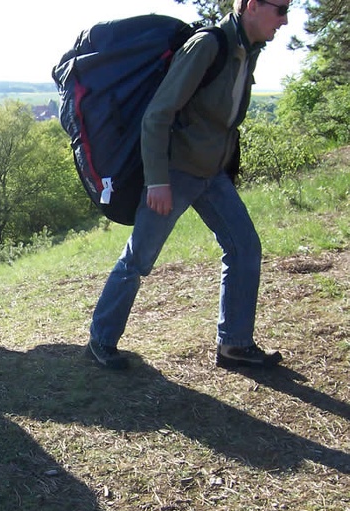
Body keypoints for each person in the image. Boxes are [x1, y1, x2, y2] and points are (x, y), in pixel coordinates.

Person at [88, 0, 289, 370]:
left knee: (245, 248)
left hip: (212, 173)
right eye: (280, 9)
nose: (285, 20)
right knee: (138, 260)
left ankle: (235, 345)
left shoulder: (248, 51)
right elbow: (157, 114)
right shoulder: (210, 45)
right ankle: (100, 339)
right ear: (252, 6)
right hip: (175, 172)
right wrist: (157, 181)